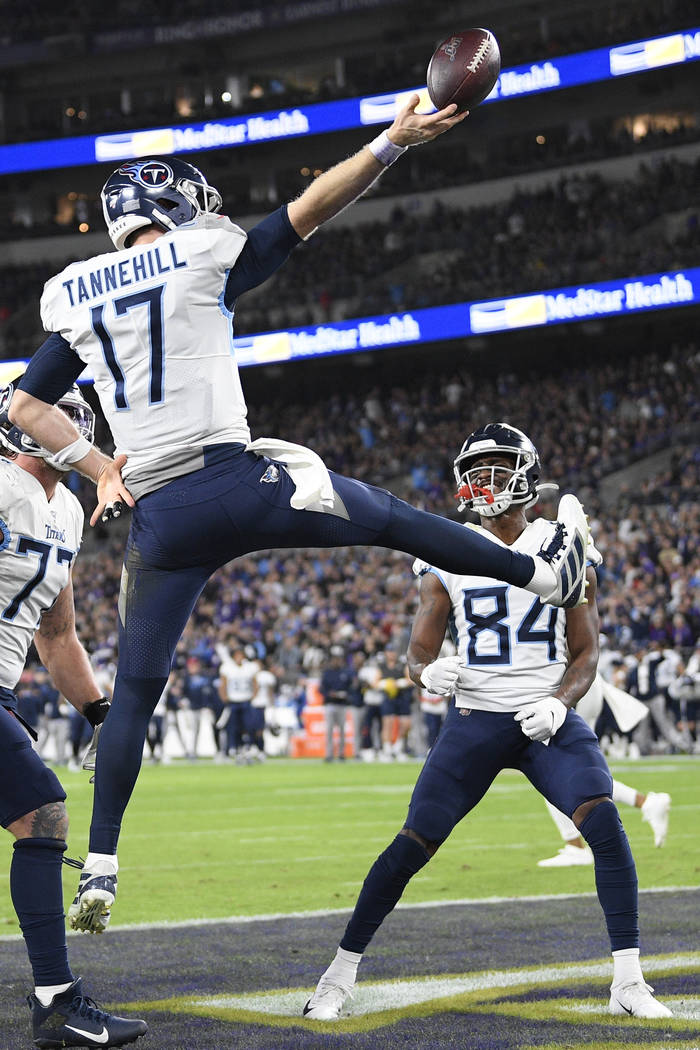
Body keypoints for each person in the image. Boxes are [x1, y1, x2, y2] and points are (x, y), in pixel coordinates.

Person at [8, 97, 590, 934]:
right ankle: (541, 570)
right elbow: (308, 210)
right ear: (171, 207)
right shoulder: (202, 251)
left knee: (133, 694)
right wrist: (392, 142)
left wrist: (100, 468)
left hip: (162, 516)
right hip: (236, 478)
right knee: (389, 518)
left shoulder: (72, 293)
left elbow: (27, 405)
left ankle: (100, 865)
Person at [303, 423, 671, 1021]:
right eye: (477, 469)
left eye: (499, 466)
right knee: (412, 844)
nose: (485, 480)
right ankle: (336, 975)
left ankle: (628, 981)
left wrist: (561, 700)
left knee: (603, 825)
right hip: (475, 716)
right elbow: (416, 651)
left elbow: (586, 652)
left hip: (544, 718)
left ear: (526, 473)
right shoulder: (445, 550)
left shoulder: (564, 543)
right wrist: (427, 673)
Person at [0, 385, 147, 1047]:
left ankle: (57, 1001)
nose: (71, 431)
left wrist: (99, 711)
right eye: (59, 419)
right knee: (44, 815)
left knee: (40, 817)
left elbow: (57, 637)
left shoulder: (64, 512)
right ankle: (57, 1001)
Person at [537, 673, 672, 865]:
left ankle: (575, 847)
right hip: (583, 681)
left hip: (570, 681)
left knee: (552, 771)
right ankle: (647, 802)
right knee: (566, 772)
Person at [319, 646, 353, 762]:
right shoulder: (327, 673)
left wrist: (346, 694)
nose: (336, 661)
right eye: (335, 658)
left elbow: (350, 688)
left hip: (342, 704)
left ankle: (341, 753)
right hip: (330, 704)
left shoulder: (345, 672)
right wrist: (329, 694)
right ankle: (329, 754)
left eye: (338, 658)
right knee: (329, 730)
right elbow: (321, 689)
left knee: (342, 731)